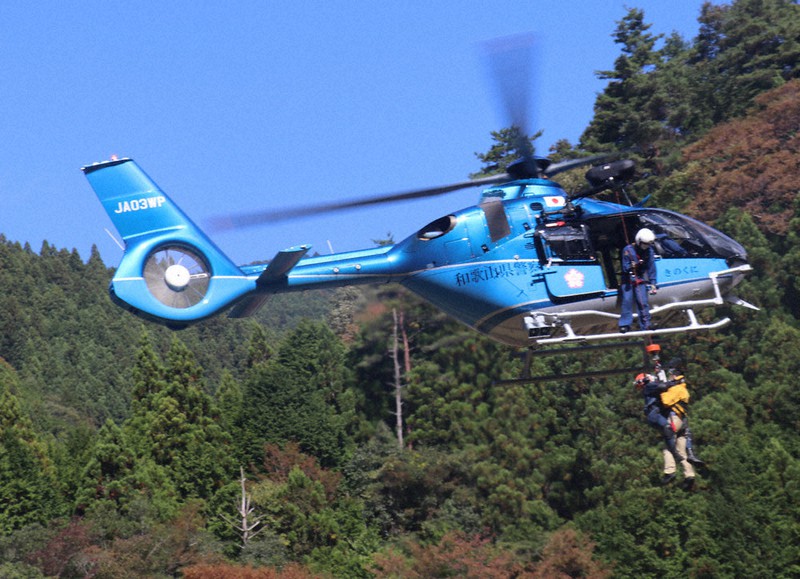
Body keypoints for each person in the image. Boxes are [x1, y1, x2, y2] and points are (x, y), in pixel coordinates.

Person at [634, 372, 698, 488]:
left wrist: (670, 380)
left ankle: (670, 471)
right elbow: (663, 386)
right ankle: (689, 475)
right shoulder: (673, 389)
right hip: (682, 420)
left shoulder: (649, 387)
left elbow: (663, 386)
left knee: (668, 448)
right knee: (681, 451)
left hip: (673, 420)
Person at [619, 228, 658, 333]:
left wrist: (653, 282)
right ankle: (625, 324)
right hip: (628, 280)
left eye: (648, 244)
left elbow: (651, 267)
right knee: (627, 301)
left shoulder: (649, 251)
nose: (646, 247)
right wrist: (632, 266)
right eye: (644, 244)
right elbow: (625, 267)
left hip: (640, 279)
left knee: (643, 302)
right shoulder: (627, 250)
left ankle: (646, 325)